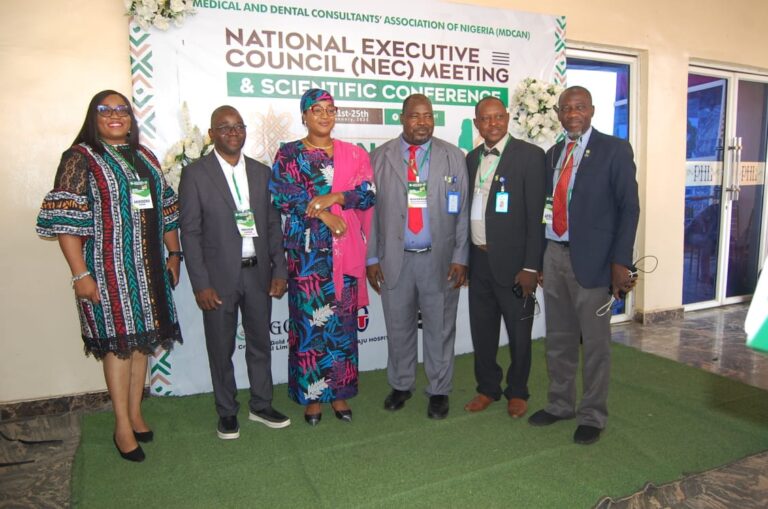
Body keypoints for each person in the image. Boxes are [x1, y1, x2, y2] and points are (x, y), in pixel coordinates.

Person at [36, 90, 183, 462]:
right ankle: (121, 426)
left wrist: (174, 253)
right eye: (106, 110)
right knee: (118, 346)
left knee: (140, 345)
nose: (115, 115)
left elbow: (166, 208)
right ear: (94, 117)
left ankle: (135, 413)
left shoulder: (145, 156)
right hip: (106, 271)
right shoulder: (80, 158)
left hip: (148, 269)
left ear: (131, 119)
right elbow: (65, 222)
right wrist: (80, 275)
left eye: (122, 110)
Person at [528, 86, 640, 445]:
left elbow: (629, 208)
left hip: (594, 261)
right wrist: (540, 259)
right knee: (558, 339)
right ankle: (560, 404)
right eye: (566, 108)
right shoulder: (553, 154)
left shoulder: (614, 150)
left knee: (594, 343)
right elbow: (548, 206)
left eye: (580, 107)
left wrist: (621, 262)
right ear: (558, 114)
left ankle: (592, 414)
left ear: (591, 110)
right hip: (554, 254)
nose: (573, 114)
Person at [179, 105, 290, 440]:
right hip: (218, 280)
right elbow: (190, 233)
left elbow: (272, 225)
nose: (232, 132)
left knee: (260, 343)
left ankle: (261, 404)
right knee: (221, 348)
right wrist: (200, 284)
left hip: (258, 274)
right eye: (224, 127)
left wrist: (279, 268)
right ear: (211, 133)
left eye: (238, 126)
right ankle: (227, 411)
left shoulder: (261, 172)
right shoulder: (196, 174)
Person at [270, 89, 375, 426]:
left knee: (342, 328)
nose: (325, 115)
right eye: (317, 110)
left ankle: (339, 394)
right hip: (306, 257)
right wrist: (324, 214)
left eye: (330, 109)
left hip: (344, 254)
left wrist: (337, 197)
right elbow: (281, 195)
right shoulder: (289, 154)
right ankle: (312, 398)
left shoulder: (354, 154)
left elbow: (368, 193)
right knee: (309, 329)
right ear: (304, 115)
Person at [367, 93, 469, 420]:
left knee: (440, 328)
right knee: (398, 327)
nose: (423, 122)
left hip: (439, 260)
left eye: (428, 116)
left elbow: (462, 210)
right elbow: (370, 214)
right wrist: (371, 259)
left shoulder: (453, 156)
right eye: (415, 116)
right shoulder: (379, 157)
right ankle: (401, 384)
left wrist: (461, 256)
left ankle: (439, 389)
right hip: (394, 259)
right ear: (402, 118)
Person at [464, 96, 546, 419]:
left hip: (515, 265)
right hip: (478, 260)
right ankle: (487, 388)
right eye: (486, 118)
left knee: (519, 333)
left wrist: (531, 266)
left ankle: (518, 391)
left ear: (508, 118)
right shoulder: (471, 158)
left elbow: (537, 217)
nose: (493, 123)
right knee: (482, 331)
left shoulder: (530, 156)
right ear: (477, 124)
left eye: (498, 116)